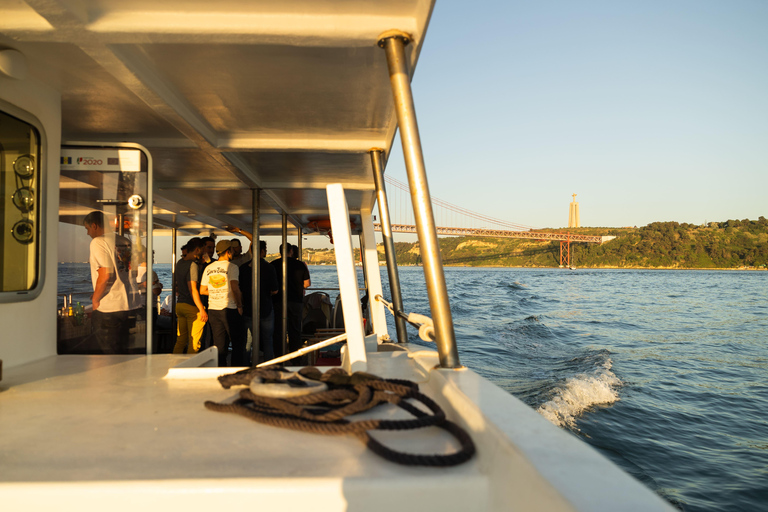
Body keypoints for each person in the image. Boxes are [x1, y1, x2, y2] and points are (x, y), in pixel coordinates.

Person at [83, 210, 141, 353]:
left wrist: (96, 299)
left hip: (108, 308)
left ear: (95, 225)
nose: (88, 233)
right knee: (124, 353)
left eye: (87, 228)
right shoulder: (125, 241)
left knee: (107, 357)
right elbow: (133, 272)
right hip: (129, 305)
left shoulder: (98, 242)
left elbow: (106, 274)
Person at [201, 240, 246, 367]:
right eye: (231, 250)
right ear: (228, 251)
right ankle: (237, 371)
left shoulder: (209, 268)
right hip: (230, 308)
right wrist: (239, 305)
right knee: (238, 343)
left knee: (219, 345)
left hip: (213, 310)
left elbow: (202, 290)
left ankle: (220, 370)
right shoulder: (232, 267)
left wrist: (217, 291)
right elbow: (235, 287)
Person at [239, 240, 278, 363]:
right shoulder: (269, 267)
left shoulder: (243, 268)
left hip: (248, 308)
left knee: (248, 341)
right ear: (261, 251)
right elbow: (275, 290)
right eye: (265, 250)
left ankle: (245, 364)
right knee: (267, 339)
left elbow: (239, 289)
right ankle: (268, 364)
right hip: (265, 307)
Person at [271, 243, 310, 358]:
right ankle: (295, 357)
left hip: (278, 301)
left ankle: (279, 355)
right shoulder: (300, 265)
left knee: (278, 329)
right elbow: (307, 284)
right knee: (295, 329)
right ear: (291, 251)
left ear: (280, 252)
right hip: (296, 301)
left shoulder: (273, 264)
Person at [173, 237, 208, 354]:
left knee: (181, 341)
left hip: (180, 305)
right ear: (197, 250)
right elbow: (193, 289)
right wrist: (201, 309)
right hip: (191, 307)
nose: (204, 253)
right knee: (194, 344)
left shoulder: (179, 263)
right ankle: (191, 368)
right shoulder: (192, 265)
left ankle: (174, 365)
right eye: (203, 250)